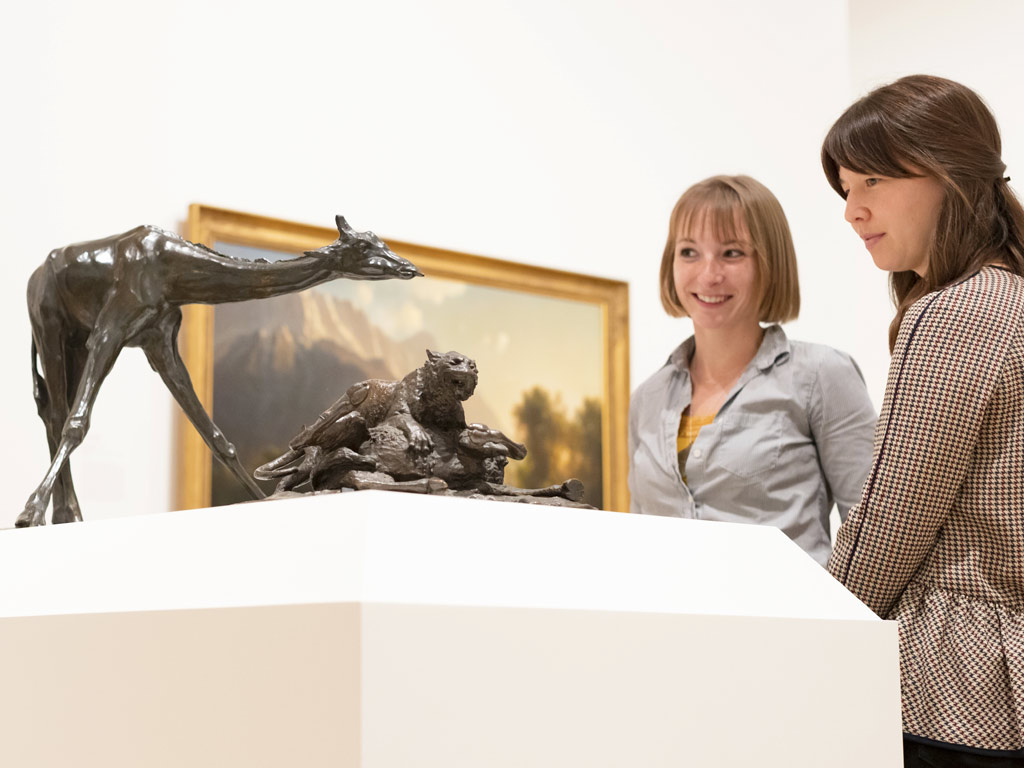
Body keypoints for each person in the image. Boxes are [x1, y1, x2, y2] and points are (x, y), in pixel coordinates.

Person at [822, 74, 1024, 765]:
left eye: (872, 180)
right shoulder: (1015, 298)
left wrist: (812, 631)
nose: (853, 210)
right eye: (846, 188)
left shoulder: (959, 310)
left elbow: (892, 519)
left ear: (949, 173)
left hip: (952, 686)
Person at [628, 175, 876, 567]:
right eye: (689, 252)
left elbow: (874, 539)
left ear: (769, 262)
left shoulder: (822, 375)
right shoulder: (647, 398)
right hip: (672, 624)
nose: (709, 275)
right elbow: (640, 540)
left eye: (732, 253)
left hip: (790, 622)